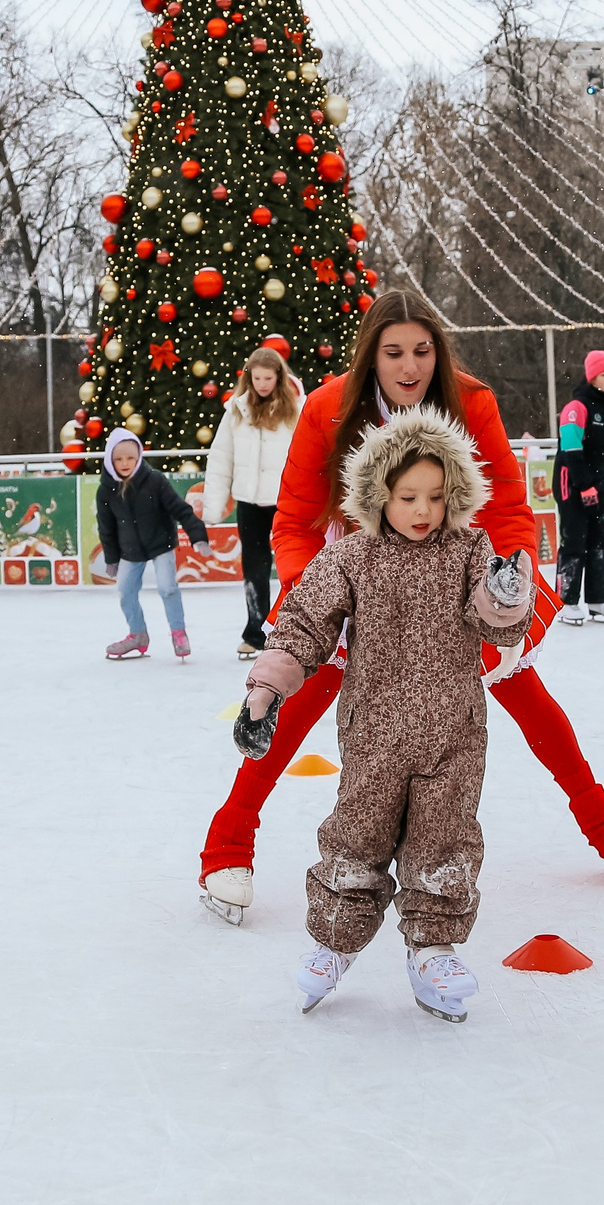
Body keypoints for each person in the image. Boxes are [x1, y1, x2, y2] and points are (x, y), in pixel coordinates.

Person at [196, 291, 604, 926]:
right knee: (289, 710)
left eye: (422, 351)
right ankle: (227, 845)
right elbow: (295, 521)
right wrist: (326, 596)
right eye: (393, 353)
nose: (409, 367)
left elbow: (508, 511)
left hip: (454, 590)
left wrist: (505, 580)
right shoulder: (328, 409)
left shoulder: (471, 402)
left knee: (528, 696)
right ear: (370, 358)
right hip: (357, 586)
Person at [236, 406, 535, 1021]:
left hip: (454, 734)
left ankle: (433, 949)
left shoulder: (469, 548)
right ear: (378, 495)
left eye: (435, 495)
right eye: (407, 496)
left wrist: (506, 597)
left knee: (445, 840)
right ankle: (332, 943)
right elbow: (304, 621)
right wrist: (266, 687)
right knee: (357, 836)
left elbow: (492, 616)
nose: (423, 510)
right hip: (373, 734)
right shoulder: (355, 556)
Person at [202, 344, 303, 658]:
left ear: (278, 378)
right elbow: (221, 458)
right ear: (249, 377)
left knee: (292, 568)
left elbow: (307, 455)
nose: (262, 384)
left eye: (268, 378)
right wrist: (213, 506)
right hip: (248, 503)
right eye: (257, 378)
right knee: (255, 569)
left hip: (284, 502)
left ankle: (296, 629)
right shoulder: (236, 410)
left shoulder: (295, 411)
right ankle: (255, 632)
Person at [97, 426, 211, 661]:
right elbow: (106, 528)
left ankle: (178, 633)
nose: (125, 463)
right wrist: (111, 558)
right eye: (118, 458)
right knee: (125, 592)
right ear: (110, 460)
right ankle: (137, 635)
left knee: (167, 588)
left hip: (160, 544)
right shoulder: (106, 490)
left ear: (139, 457)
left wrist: (198, 535)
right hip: (130, 550)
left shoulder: (154, 480)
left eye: (130, 457)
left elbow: (181, 509)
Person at [554, 349, 604, 624]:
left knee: (600, 541)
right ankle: (565, 602)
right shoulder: (577, 407)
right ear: (592, 377)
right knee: (574, 541)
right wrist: (583, 485)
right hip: (570, 481)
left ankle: (598, 599)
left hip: (596, 482)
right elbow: (572, 451)